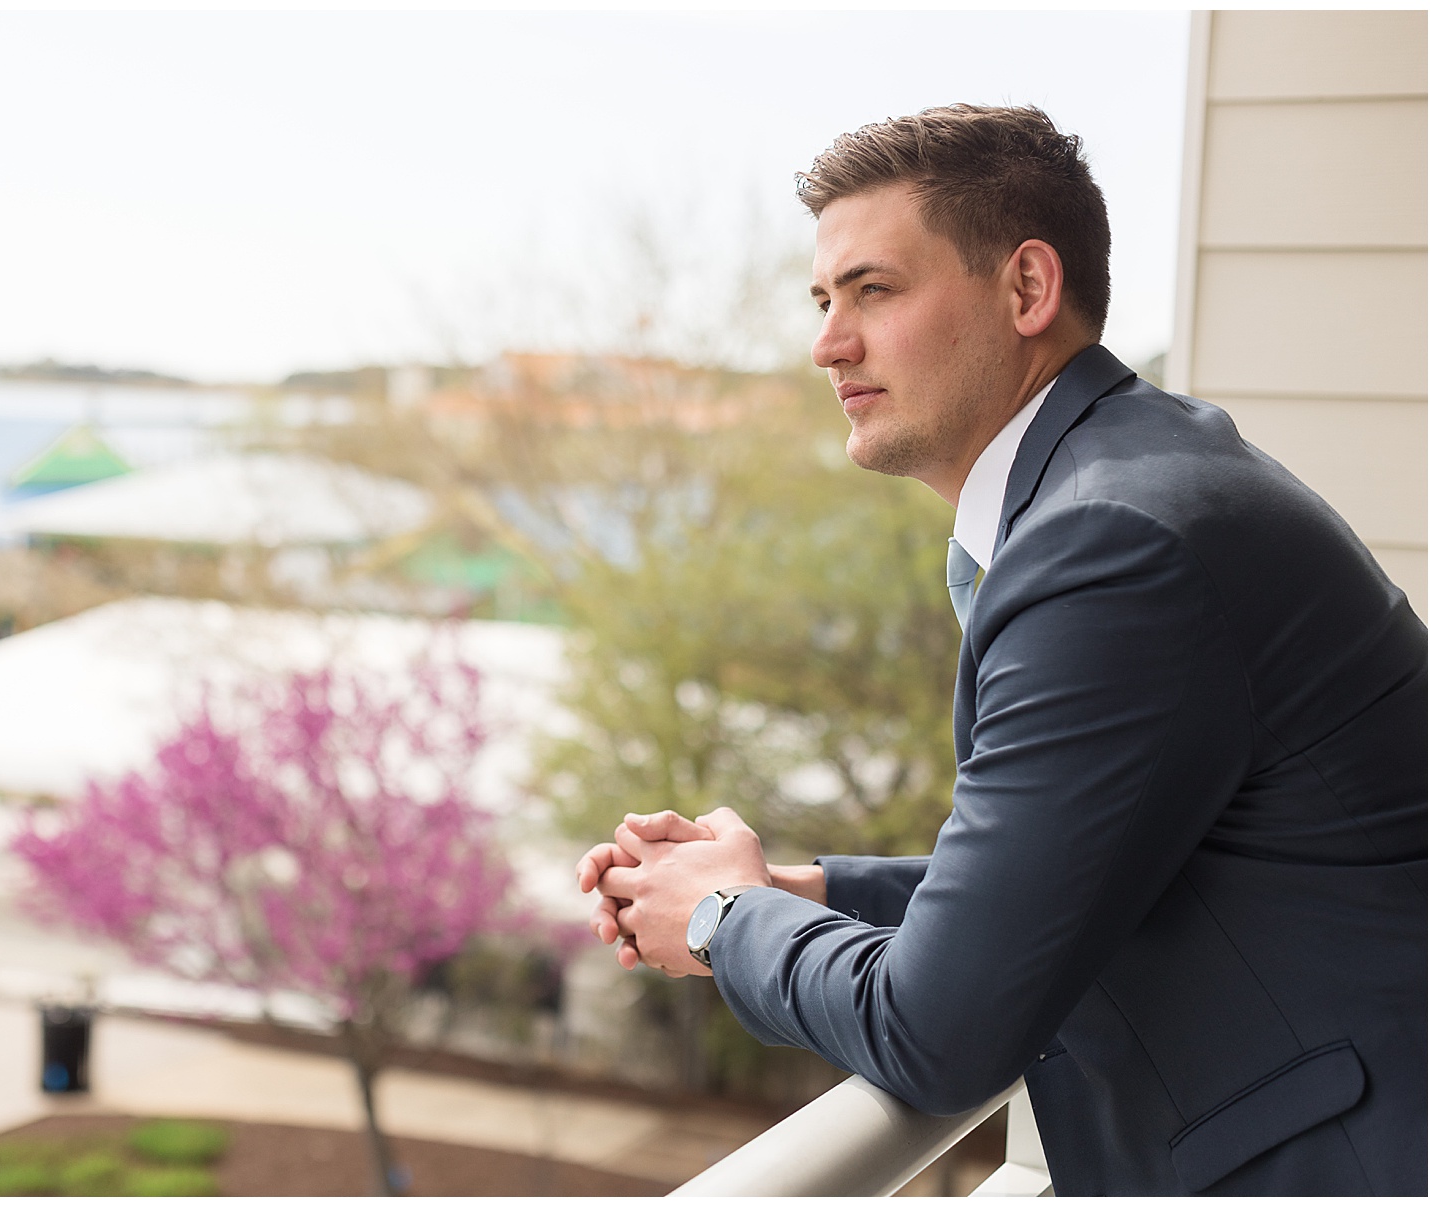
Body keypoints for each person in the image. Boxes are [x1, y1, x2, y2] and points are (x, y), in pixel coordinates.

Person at [576, 104, 1425, 1195]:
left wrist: (723, 917)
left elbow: (940, 1031)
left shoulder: (1106, 543)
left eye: (874, 291)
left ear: (1027, 289)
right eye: (825, 300)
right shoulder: (1131, 477)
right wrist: (812, 889)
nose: (828, 342)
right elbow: (1107, 857)